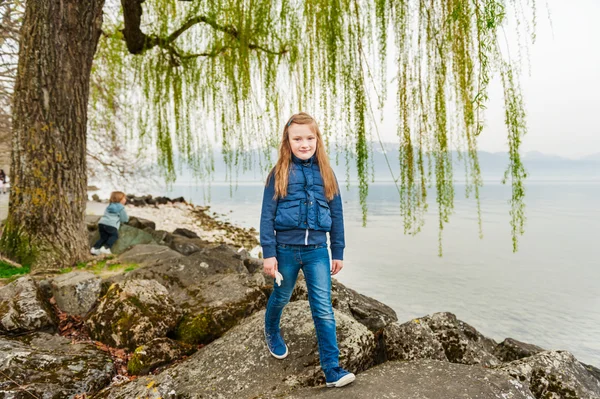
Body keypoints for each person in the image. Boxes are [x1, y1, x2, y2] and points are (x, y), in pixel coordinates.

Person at [260, 112, 355, 388]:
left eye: (309, 138)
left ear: (317, 140)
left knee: (323, 308)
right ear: (287, 141)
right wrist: (269, 253)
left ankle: (332, 369)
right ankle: (271, 328)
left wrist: (337, 251)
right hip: (286, 249)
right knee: (281, 296)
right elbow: (267, 215)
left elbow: (337, 215)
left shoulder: (326, 173)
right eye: (297, 138)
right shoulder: (278, 173)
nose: (304, 144)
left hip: (317, 251)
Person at [91, 191, 129, 255]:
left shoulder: (110, 206)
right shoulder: (121, 208)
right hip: (111, 225)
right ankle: (106, 248)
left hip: (102, 223)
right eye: (124, 198)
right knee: (114, 236)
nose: (125, 199)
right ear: (120, 199)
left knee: (103, 237)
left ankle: (95, 248)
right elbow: (124, 219)